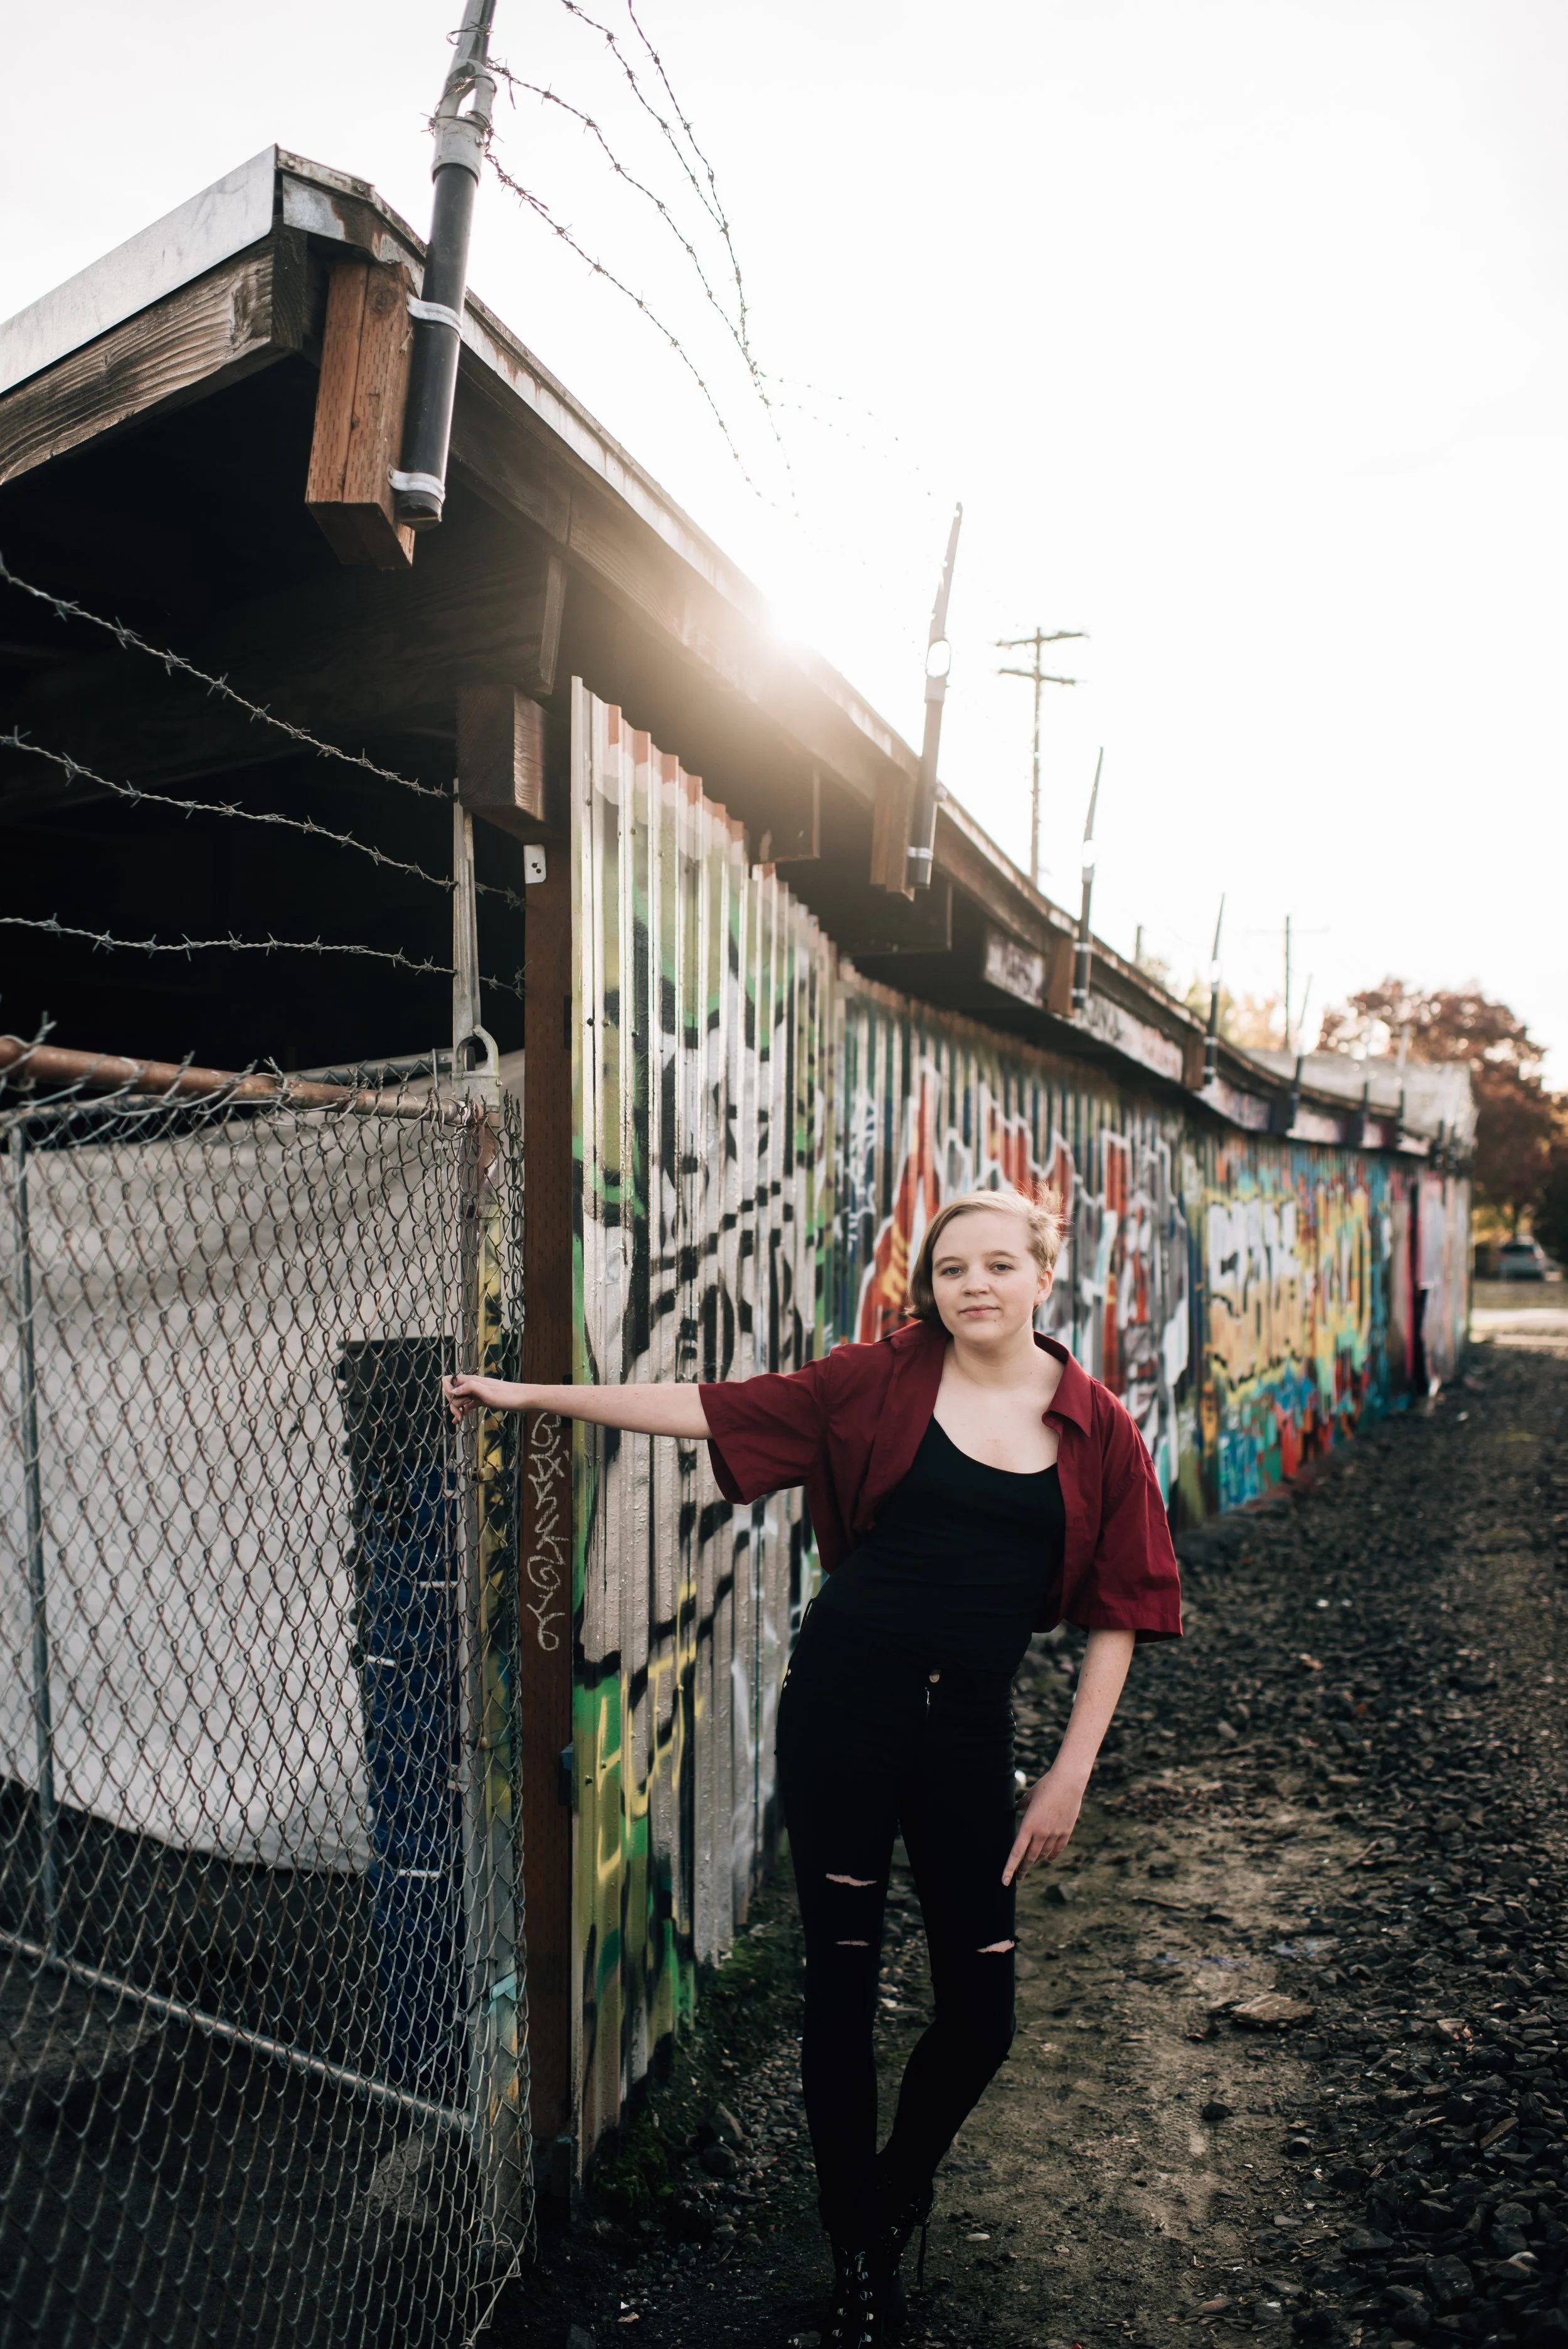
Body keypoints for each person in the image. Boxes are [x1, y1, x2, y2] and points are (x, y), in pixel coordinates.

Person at [445, 1186, 1182, 2346]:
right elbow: (706, 1407)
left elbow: (1121, 1609)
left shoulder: (1096, 1428)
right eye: (950, 1271)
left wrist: (1070, 1770)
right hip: (844, 1709)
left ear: (1047, 1273)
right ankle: (857, 2258)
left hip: (971, 1731)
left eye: (998, 1265)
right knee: (839, 1991)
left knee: (981, 2013)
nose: (973, 1286)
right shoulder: (873, 1383)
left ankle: (891, 2196)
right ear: (929, 1289)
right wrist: (528, 1394)